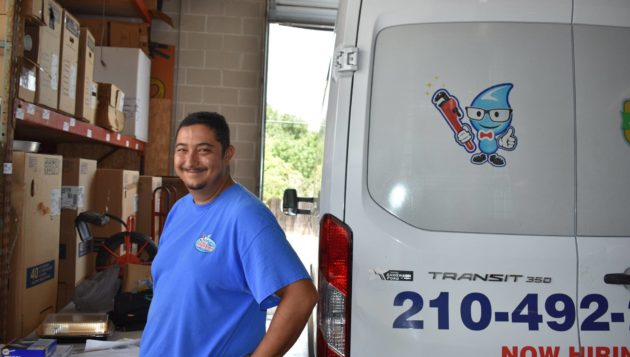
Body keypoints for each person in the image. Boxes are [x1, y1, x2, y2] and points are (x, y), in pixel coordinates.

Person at [140, 112, 318, 356]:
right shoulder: (180, 209)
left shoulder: (245, 216)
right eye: (182, 149)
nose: (190, 160)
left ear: (227, 154)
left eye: (204, 150)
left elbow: (301, 297)